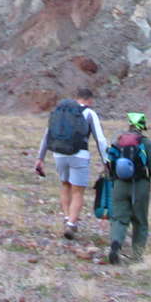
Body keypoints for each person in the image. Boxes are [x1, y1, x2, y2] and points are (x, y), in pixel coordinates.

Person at [34, 88, 110, 240]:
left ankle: (67, 217)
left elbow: (47, 136)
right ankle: (71, 224)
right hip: (79, 155)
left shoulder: (60, 112)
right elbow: (100, 139)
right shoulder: (89, 113)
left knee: (65, 185)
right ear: (89, 99)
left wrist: (40, 158)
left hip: (59, 154)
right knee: (78, 191)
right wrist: (106, 161)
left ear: (77, 98)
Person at [104, 112, 151, 264]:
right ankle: (137, 256)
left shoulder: (118, 140)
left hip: (119, 184)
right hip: (140, 185)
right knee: (140, 221)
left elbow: (109, 162)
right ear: (142, 126)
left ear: (129, 124)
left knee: (119, 218)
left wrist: (112, 181)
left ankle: (116, 245)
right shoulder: (146, 142)